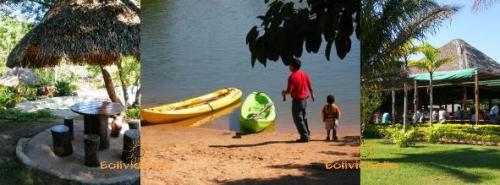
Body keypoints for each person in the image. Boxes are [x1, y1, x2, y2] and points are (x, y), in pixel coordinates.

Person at [282, 58, 315, 142]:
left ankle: (304, 137)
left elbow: (289, 91)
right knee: (303, 117)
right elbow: (309, 85)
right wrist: (312, 94)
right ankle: (307, 133)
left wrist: (284, 93)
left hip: (297, 101)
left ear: (293, 66)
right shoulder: (304, 74)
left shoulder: (292, 77)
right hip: (305, 100)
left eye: (290, 65)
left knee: (298, 119)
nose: (289, 66)